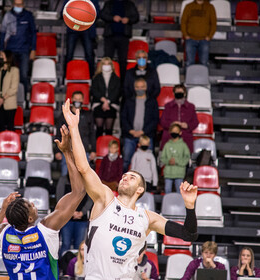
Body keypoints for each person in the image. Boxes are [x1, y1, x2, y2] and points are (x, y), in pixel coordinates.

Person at [62, 98, 198, 279]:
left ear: (140, 189)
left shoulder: (147, 218)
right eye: (124, 176)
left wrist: (190, 207)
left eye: (131, 177)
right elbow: (84, 168)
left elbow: (189, 234)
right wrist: (74, 128)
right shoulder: (105, 198)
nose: (125, 177)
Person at [0, 125, 87, 279]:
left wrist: (2, 212)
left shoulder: (4, 233)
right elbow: (79, 191)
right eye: (31, 206)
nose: (34, 205)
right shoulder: (46, 230)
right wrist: (66, 152)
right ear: (30, 219)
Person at [121, 78, 159, 172]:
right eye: (137, 87)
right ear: (134, 88)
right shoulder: (128, 101)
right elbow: (123, 117)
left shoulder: (152, 102)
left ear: (146, 87)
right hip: (130, 136)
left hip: (146, 136)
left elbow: (155, 119)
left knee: (148, 162)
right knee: (126, 160)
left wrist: (143, 131)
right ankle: (124, 181)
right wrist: (130, 130)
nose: (140, 89)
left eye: (142, 87)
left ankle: (147, 184)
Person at [55, 91, 96, 176]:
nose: (77, 101)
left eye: (79, 99)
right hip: (68, 150)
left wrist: (93, 150)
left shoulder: (88, 115)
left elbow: (92, 133)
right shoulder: (64, 115)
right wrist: (57, 151)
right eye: (75, 99)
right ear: (72, 100)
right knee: (66, 175)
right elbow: (59, 134)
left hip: (84, 150)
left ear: (83, 100)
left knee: (84, 177)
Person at [0, 0, 36, 94]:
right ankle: (9, 96)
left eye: (20, 4)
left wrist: (33, 49)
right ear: (12, 4)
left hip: (24, 50)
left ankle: (24, 98)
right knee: (9, 74)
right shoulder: (7, 16)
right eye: (16, 4)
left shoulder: (28, 15)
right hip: (10, 50)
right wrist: (1, 49)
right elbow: (2, 33)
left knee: (23, 74)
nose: (18, 6)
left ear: (23, 4)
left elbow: (33, 33)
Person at [101, 0, 139, 81]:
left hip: (124, 37)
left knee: (122, 61)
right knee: (107, 60)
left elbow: (136, 17)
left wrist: (128, 19)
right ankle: (106, 81)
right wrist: (112, 18)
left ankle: (122, 84)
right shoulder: (108, 3)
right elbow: (103, 15)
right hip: (109, 37)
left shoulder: (130, 4)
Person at [56, 173, 93, 256]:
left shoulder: (86, 181)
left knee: (79, 245)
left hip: (81, 219)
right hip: (66, 219)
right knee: (65, 244)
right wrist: (70, 212)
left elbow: (90, 199)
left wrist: (82, 212)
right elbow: (59, 197)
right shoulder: (64, 179)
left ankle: (77, 267)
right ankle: (63, 267)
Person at [62, 0, 99, 77]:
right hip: (73, 28)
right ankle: (65, 78)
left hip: (87, 29)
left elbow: (97, 13)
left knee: (89, 55)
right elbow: (63, 12)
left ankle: (91, 78)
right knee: (69, 55)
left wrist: (85, 14)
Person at [160, 84, 199, 153]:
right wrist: (172, 125)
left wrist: (187, 125)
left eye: (181, 92)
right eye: (177, 92)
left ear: (185, 93)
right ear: (173, 93)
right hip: (170, 136)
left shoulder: (191, 107)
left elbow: (195, 122)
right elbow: (162, 121)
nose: (179, 94)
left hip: (185, 136)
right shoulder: (168, 106)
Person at [91, 57, 121, 138]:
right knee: (99, 128)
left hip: (112, 104)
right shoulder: (96, 78)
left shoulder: (116, 78)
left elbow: (117, 92)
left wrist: (108, 102)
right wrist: (104, 100)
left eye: (108, 64)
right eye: (104, 64)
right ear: (101, 65)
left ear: (111, 65)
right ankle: (98, 147)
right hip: (98, 103)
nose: (106, 66)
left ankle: (108, 147)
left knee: (109, 129)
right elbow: (94, 91)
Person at [181, 0, 216, 66]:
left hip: (204, 40)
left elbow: (213, 23)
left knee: (204, 63)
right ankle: (190, 76)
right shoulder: (189, 6)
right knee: (189, 63)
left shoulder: (210, 7)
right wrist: (185, 35)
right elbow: (183, 22)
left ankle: (203, 76)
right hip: (190, 39)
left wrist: (210, 36)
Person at [0, 50, 20, 132]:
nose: (0, 57)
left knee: (10, 126)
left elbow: (14, 88)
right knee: (0, 126)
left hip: (9, 103)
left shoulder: (14, 70)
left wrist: (3, 98)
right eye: (0, 56)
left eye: (2, 56)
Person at [160, 123, 191, 194]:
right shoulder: (167, 145)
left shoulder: (183, 145)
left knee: (179, 191)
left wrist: (177, 161)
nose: (174, 133)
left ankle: (179, 205)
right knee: (167, 190)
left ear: (180, 132)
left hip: (179, 173)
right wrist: (168, 161)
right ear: (170, 132)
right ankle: (167, 204)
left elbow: (186, 158)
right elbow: (163, 157)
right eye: (173, 131)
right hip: (168, 172)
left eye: (176, 131)